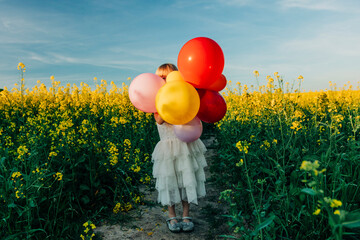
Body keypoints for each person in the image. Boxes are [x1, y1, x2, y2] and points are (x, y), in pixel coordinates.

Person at [152, 63, 208, 233]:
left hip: (184, 145)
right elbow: (160, 120)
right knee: (169, 182)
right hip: (168, 148)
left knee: (186, 180)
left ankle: (185, 214)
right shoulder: (155, 99)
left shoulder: (184, 95)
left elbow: (190, 114)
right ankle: (172, 216)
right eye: (160, 77)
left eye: (166, 77)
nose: (163, 80)